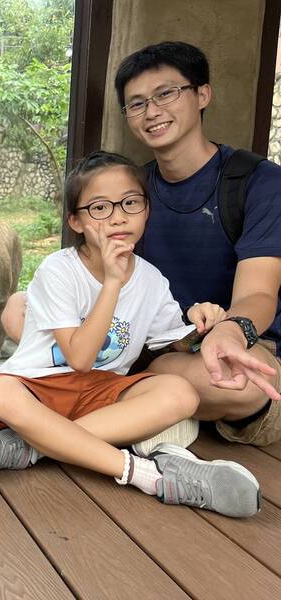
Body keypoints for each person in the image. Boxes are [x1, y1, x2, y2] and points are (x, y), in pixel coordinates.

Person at [0, 151, 261, 519]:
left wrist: (203, 325)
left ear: (146, 211)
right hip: (38, 387)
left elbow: (173, 341)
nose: (118, 216)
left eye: (130, 202)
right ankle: (150, 476)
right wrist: (111, 281)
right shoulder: (58, 270)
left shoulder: (151, 279)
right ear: (75, 221)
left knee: (181, 393)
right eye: (99, 208)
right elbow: (78, 358)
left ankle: (32, 447)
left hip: (100, 390)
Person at [112, 41, 281, 446]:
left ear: (202, 94)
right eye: (136, 103)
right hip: (157, 346)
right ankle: (157, 411)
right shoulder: (131, 192)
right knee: (23, 310)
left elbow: (258, 291)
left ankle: (126, 406)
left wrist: (231, 332)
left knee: (245, 381)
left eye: (166, 93)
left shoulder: (259, 182)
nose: (152, 111)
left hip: (242, 342)